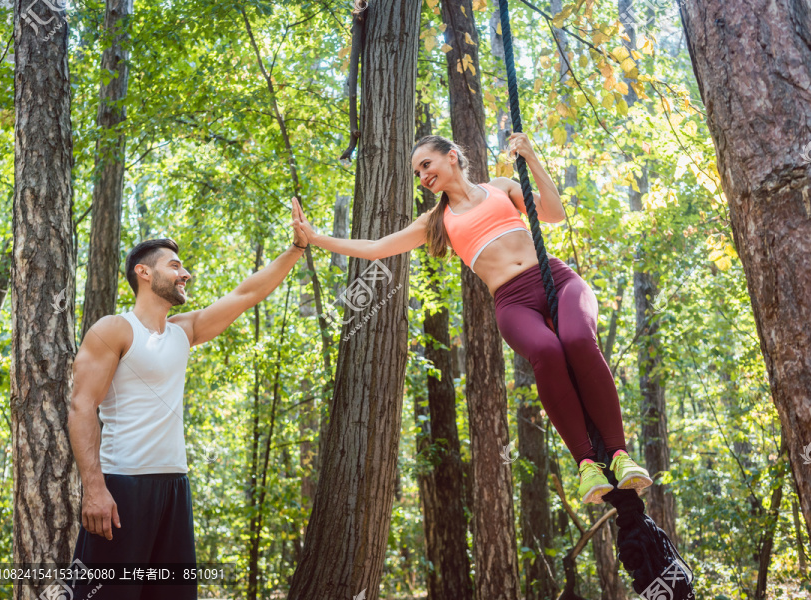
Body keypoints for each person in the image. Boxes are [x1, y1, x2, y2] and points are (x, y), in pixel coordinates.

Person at [291, 133, 652, 506]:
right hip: (513, 302)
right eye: (417, 173)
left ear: (451, 157)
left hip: (556, 280)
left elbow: (554, 214)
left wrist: (531, 156)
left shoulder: (501, 188)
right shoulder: (436, 221)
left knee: (577, 340)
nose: (422, 177)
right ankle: (587, 464)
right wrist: (316, 238)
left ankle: (620, 455)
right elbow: (376, 248)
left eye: (426, 165)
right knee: (546, 350)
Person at [66, 205, 310, 599]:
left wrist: (297, 248)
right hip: (123, 486)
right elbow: (81, 408)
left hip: (175, 485)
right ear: (143, 273)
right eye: (175, 266)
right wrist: (94, 488)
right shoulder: (114, 329)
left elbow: (246, 294)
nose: (185, 273)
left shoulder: (184, 331)